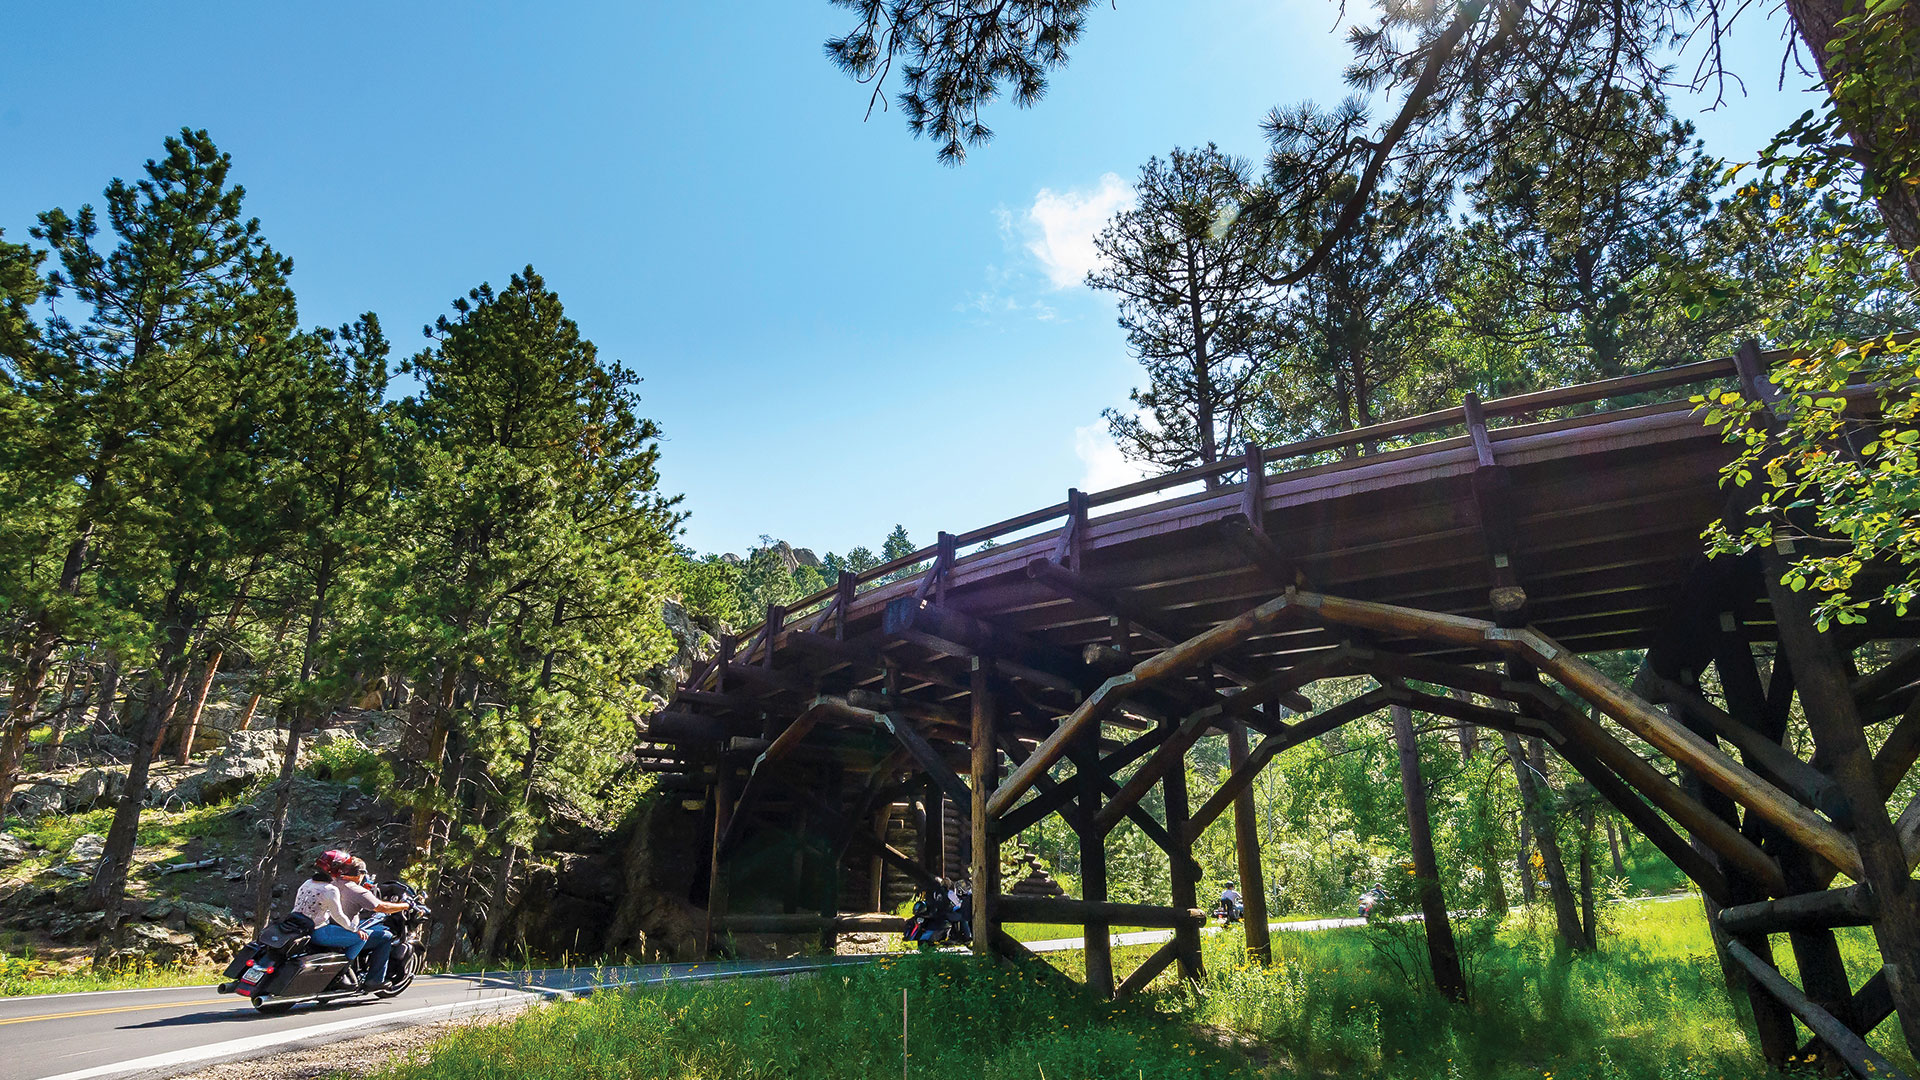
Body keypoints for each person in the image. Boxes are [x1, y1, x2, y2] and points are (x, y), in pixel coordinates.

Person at [290, 850, 408, 989]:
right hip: (321, 930)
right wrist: (405, 906)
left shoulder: (309, 882)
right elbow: (380, 907)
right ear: (359, 874)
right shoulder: (341, 889)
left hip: (302, 926)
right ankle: (347, 973)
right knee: (375, 936)